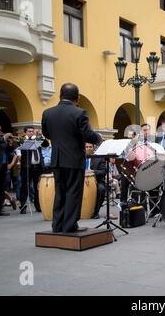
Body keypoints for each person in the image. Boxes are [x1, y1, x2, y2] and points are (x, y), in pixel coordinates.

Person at [42, 83, 102, 233]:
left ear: (60, 95)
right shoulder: (79, 113)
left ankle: (57, 226)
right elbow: (87, 134)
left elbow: (47, 134)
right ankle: (69, 226)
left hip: (57, 159)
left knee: (60, 192)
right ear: (78, 98)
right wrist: (99, 138)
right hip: (74, 159)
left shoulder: (47, 113)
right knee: (73, 193)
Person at [16, 126, 46, 214]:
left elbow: (46, 144)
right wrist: (30, 140)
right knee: (25, 187)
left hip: (38, 167)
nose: (31, 133)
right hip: (27, 167)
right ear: (25, 132)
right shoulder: (22, 141)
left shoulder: (38, 140)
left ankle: (38, 206)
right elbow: (20, 152)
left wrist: (40, 136)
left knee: (38, 187)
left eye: (32, 131)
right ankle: (23, 206)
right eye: (29, 131)